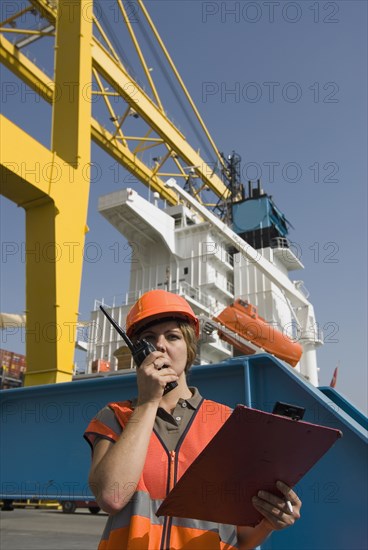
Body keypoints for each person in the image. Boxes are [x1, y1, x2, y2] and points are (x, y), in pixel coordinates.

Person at [84, 290, 302, 549]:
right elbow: (112, 496)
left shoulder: (229, 424)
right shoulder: (114, 416)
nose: (161, 346)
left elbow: (241, 539)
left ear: (189, 349)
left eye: (173, 336)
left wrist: (268, 522)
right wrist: (147, 403)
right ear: (138, 353)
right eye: (149, 339)